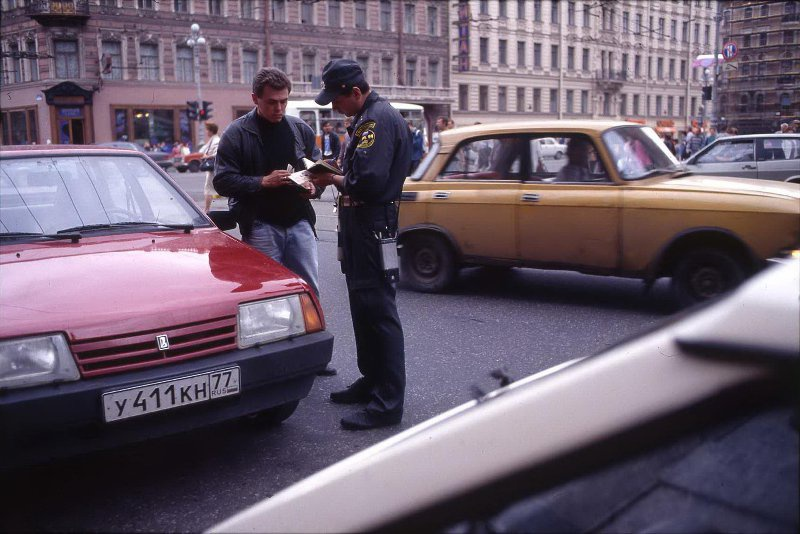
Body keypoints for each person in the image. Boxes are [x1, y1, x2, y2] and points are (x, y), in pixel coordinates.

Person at [213, 67, 336, 377]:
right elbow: (222, 181)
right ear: (255, 99)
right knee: (267, 295)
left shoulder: (299, 129)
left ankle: (312, 354)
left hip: (298, 221)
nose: (279, 108)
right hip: (262, 224)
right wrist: (261, 182)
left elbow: (315, 169)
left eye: (283, 101)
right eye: (271, 102)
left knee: (307, 289)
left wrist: (313, 186)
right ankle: (271, 359)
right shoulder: (237, 133)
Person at [309, 59, 412, 430]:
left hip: (371, 222)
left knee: (379, 312)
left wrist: (333, 177)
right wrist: (334, 171)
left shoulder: (376, 120)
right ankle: (372, 381)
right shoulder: (366, 119)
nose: (334, 108)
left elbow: (367, 180)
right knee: (363, 308)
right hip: (360, 223)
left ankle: (388, 403)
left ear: (354, 92)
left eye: (336, 101)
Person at [199, 121, 221, 213]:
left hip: (212, 168)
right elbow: (202, 149)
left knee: (208, 189)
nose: (206, 132)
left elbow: (218, 153)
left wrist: (207, 156)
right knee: (210, 188)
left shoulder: (216, 140)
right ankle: (207, 209)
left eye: (207, 130)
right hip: (212, 168)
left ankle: (206, 210)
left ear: (211, 131)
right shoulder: (213, 139)